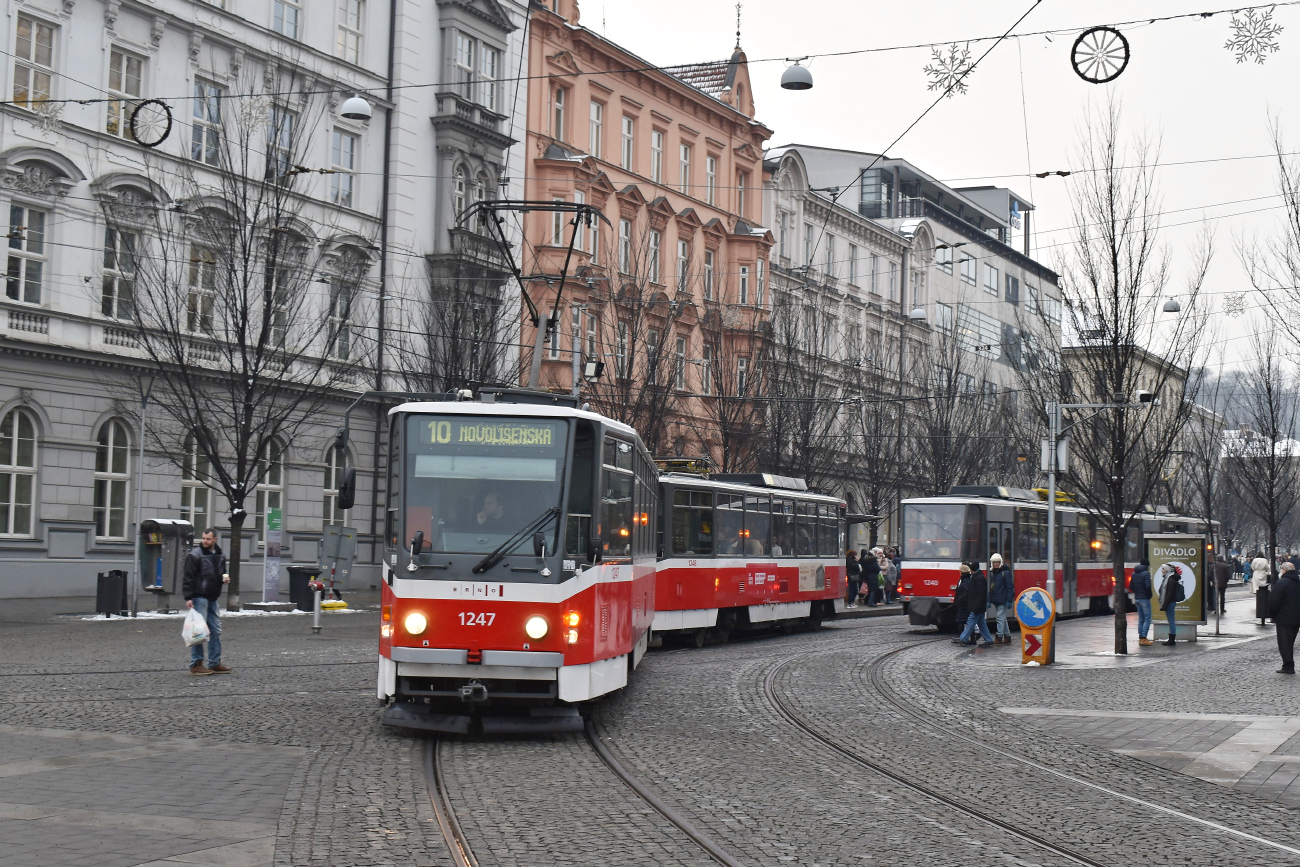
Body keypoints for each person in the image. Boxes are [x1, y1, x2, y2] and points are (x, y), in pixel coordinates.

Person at [182, 528, 231, 676]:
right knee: (198, 632)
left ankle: (214, 662)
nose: (205, 541)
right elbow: (188, 577)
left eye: (208, 539)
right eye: (203, 538)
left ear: (215, 540)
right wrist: (188, 597)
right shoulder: (195, 555)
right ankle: (196, 664)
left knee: (215, 630)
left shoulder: (220, 555)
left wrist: (225, 578)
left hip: (212, 597)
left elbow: (221, 572)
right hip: (199, 596)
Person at [1268, 561, 1300, 674]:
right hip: (1296, 618)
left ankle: (1288, 666)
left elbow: (1274, 601)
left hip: (1284, 618)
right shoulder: (1298, 582)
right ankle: (1288, 664)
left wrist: (1272, 614)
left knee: (1284, 643)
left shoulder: (1282, 583)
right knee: (1289, 642)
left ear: (1284, 570)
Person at [956, 561, 994, 647]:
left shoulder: (978, 579)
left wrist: (976, 606)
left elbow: (980, 595)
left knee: (970, 622)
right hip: (978, 606)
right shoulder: (978, 577)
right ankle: (989, 640)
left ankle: (963, 638)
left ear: (973, 570)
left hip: (977, 606)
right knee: (982, 624)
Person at [987, 553, 1014, 645]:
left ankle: (999, 636)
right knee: (1002, 618)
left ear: (1000, 562)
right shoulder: (994, 573)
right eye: (994, 562)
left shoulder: (1004, 573)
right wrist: (989, 599)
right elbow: (991, 588)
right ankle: (1007, 636)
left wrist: (1009, 600)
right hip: (997, 599)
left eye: (997, 562)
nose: (996, 564)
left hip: (1002, 599)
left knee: (999, 618)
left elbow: (1010, 587)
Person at [1158, 563, 1186, 646]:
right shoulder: (1168, 578)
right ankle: (1171, 638)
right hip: (1169, 602)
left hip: (1170, 603)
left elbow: (1169, 594)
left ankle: (1172, 639)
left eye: (1163, 569)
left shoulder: (1170, 579)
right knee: (1171, 620)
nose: (1162, 571)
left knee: (1171, 621)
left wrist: (1165, 605)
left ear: (1168, 570)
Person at [1130, 559, 1154, 646]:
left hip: (1137, 598)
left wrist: (1137, 592)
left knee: (1141, 619)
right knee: (1147, 618)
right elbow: (1148, 586)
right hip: (1144, 598)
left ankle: (1141, 638)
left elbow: (1131, 586)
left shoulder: (1134, 573)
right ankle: (1144, 638)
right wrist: (1149, 595)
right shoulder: (1146, 573)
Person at [1251, 553, 1273, 626]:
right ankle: (1262, 600)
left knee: (1256, 588)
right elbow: (1267, 568)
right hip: (1263, 573)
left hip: (1256, 573)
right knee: (1263, 588)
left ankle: (1258, 597)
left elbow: (1252, 567)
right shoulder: (1265, 560)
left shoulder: (1255, 560)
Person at [951, 563, 971, 641]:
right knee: (963, 621)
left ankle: (963, 638)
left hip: (964, 604)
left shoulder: (965, 580)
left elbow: (965, 592)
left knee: (963, 621)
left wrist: (960, 600)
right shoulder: (963, 579)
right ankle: (963, 637)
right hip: (962, 603)